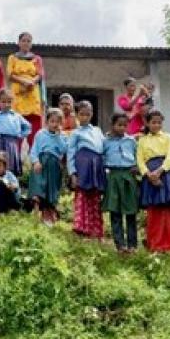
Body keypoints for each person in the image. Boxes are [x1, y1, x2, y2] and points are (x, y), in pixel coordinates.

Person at [137, 109, 170, 253]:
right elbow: (139, 159)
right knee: (154, 210)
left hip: (166, 174)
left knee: (169, 209)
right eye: (153, 122)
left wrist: (159, 171)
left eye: (159, 122)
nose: (156, 125)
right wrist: (148, 174)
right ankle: (155, 244)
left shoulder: (169, 138)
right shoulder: (143, 140)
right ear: (148, 123)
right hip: (149, 177)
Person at [68, 101, 107, 239]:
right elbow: (71, 154)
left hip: (96, 165)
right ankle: (81, 227)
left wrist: (106, 167)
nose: (85, 117)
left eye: (88, 114)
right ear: (77, 115)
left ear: (92, 114)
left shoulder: (97, 130)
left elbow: (104, 147)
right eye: (82, 114)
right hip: (82, 165)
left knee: (95, 196)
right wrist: (73, 173)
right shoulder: (75, 133)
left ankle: (96, 230)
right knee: (83, 194)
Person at [102, 113, 140, 253]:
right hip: (113, 176)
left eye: (125, 125)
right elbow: (102, 157)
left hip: (129, 176)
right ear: (112, 125)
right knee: (115, 211)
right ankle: (120, 245)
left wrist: (137, 167)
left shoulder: (131, 141)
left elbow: (138, 156)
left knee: (131, 212)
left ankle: (132, 245)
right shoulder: (106, 142)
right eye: (119, 125)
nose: (122, 128)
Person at [28, 108, 67, 226]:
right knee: (38, 187)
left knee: (51, 189)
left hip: (54, 164)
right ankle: (36, 212)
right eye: (52, 121)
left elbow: (63, 150)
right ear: (47, 122)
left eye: (58, 122)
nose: (55, 124)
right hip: (41, 162)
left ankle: (50, 213)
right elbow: (34, 149)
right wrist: (35, 162)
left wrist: (58, 136)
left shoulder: (62, 136)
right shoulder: (40, 134)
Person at [0, 89, 31, 177]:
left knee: (10, 160)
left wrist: (21, 135)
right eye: (3, 102)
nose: (6, 104)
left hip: (12, 142)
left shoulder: (16, 116)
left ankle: (11, 179)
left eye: (9, 102)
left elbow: (27, 127)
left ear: (12, 102)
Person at [7, 31, 44, 149]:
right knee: (16, 131)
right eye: (23, 40)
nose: (26, 43)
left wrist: (32, 81)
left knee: (34, 132)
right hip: (18, 96)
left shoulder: (37, 59)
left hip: (32, 96)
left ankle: (35, 161)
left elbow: (40, 74)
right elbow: (10, 75)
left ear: (31, 44)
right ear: (18, 43)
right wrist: (23, 81)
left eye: (28, 41)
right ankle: (15, 162)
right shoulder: (12, 58)